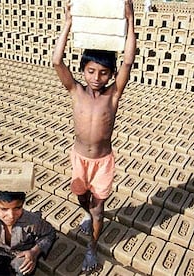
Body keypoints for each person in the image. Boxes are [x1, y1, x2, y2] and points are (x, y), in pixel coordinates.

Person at [52, 0, 136, 273]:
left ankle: (92, 247)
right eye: (91, 71)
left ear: (111, 75)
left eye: (103, 73)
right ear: (83, 70)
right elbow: (56, 61)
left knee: (99, 209)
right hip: (79, 159)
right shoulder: (75, 91)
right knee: (82, 197)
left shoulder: (113, 96)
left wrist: (130, 20)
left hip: (102, 162)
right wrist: (67, 23)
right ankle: (88, 214)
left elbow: (128, 60)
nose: (97, 78)